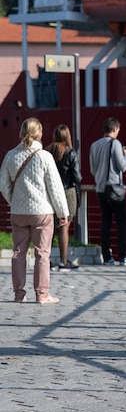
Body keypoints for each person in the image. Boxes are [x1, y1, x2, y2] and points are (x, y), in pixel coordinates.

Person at [0, 117, 69, 304]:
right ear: (40, 134)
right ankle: (42, 294)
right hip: (42, 212)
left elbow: (3, 185)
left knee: (18, 253)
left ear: (20, 133)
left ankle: (19, 294)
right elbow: (55, 187)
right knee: (42, 254)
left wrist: (14, 201)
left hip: (19, 212)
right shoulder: (45, 156)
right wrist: (63, 212)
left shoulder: (10, 156)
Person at [89, 117, 126, 266]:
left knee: (106, 223)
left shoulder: (94, 145)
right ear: (115, 129)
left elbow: (92, 169)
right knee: (121, 222)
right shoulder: (115, 143)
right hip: (114, 188)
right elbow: (122, 166)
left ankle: (107, 257)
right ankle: (123, 255)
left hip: (100, 188)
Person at [45, 124, 82, 271]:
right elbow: (77, 176)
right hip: (67, 192)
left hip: (50, 191)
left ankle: (45, 260)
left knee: (50, 227)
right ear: (67, 136)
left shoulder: (48, 151)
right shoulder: (70, 153)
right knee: (64, 226)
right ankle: (63, 260)